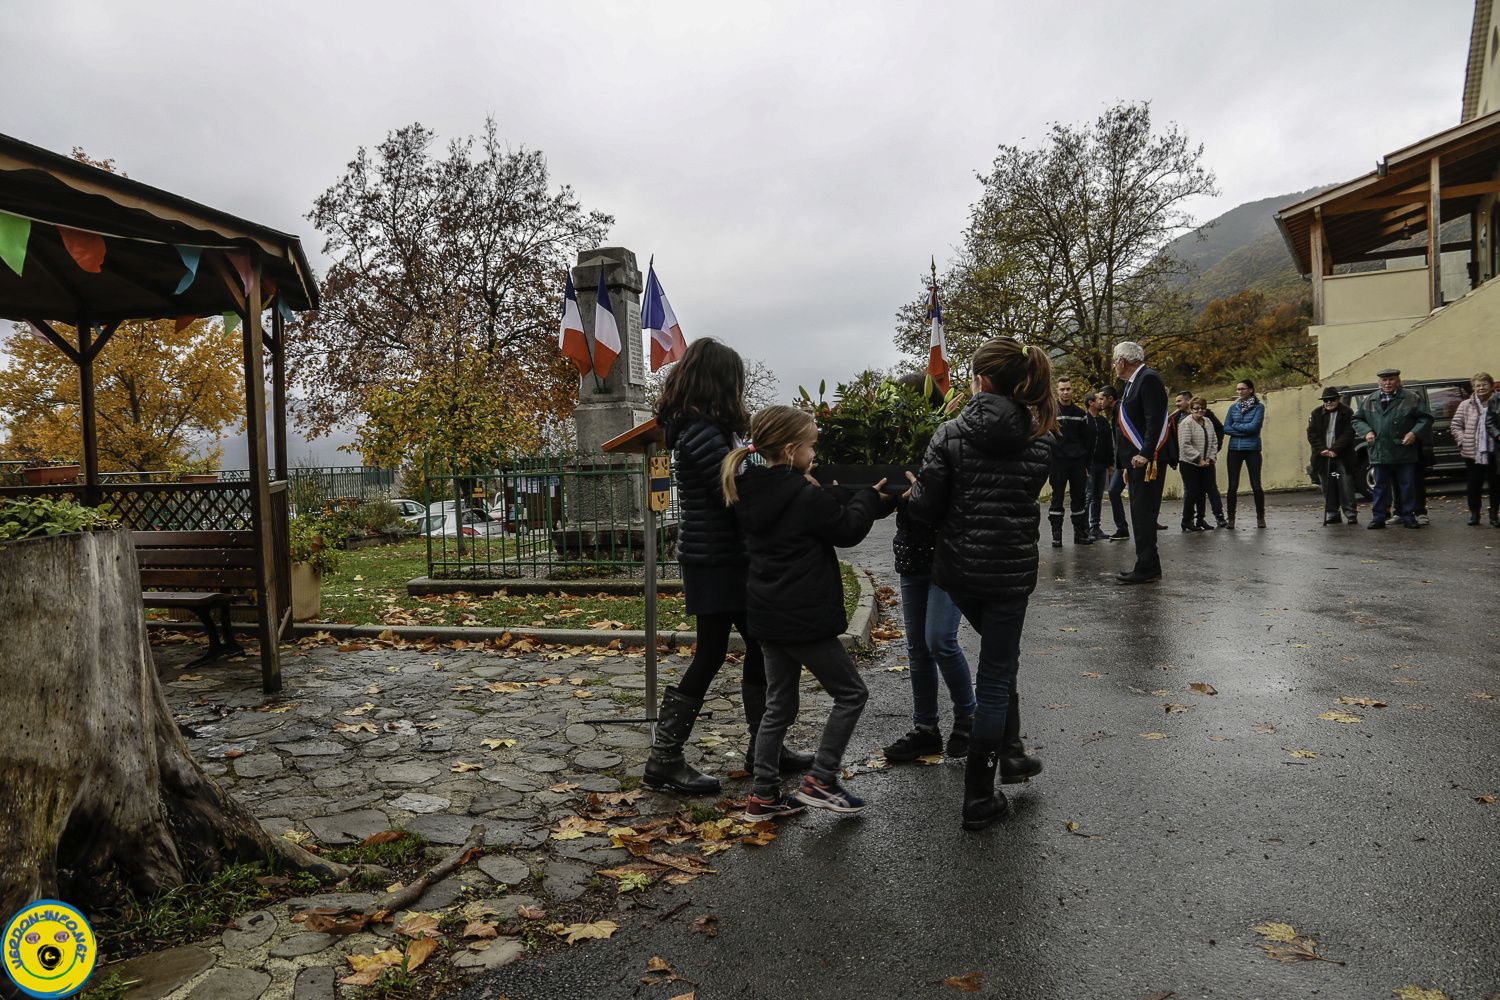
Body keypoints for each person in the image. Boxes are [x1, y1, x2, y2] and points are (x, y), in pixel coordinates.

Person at [644, 339, 812, 795]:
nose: (739, 387)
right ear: (719, 381)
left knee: (754, 646)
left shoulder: (706, 429)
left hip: (718, 557)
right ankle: (665, 758)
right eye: (736, 379)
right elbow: (734, 488)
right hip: (716, 561)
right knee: (715, 653)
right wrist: (781, 483)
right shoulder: (703, 432)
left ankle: (764, 748)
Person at [907, 336, 1053, 830]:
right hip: (1011, 573)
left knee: (996, 670)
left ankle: (1004, 764)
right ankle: (981, 791)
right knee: (997, 672)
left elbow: (925, 509)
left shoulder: (949, 433)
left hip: (960, 573)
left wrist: (916, 491)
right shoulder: (1042, 435)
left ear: (981, 380)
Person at [723, 405, 893, 819]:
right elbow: (846, 529)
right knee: (851, 693)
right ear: (790, 449)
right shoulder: (802, 495)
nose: (814, 454)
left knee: (779, 705)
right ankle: (822, 780)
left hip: (767, 615)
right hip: (804, 617)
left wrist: (846, 496)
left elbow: (820, 511)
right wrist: (869, 497)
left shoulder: (750, 489)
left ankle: (764, 795)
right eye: (811, 446)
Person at [882, 486, 979, 763]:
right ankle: (925, 729)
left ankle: (968, 717)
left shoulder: (952, 459)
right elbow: (882, 504)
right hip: (912, 556)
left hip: (950, 557)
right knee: (917, 648)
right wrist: (883, 497)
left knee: (940, 639)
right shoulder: (901, 462)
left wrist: (925, 494)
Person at [1111, 341, 1169, 584]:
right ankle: (1148, 564)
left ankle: (1146, 567)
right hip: (1134, 462)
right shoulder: (1132, 383)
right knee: (1139, 513)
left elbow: (1155, 420)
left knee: (1144, 514)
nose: (1114, 366)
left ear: (1122, 361)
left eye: (1115, 361)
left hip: (1146, 461)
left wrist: (1145, 453)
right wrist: (1125, 465)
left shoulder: (1148, 379)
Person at [1352, 367, 1433, 530]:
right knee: (1380, 487)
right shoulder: (1370, 399)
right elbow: (1356, 419)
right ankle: (1378, 518)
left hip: (1404, 450)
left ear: (1398, 381)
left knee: (1407, 486)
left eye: (1391, 379)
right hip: (1380, 450)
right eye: (1384, 380)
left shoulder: (1411, 398)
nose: (1387, 383)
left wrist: (1413, 433)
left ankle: (1409, 517)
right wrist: (1366, 431)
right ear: (1379, 382)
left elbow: (1426, 418)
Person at [1449, 371, 1500, 526]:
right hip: (1473, 452)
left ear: (1491, 386)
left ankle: (1494, 515)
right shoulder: (1466, 404)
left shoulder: (1498, 402)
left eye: (1484, 384)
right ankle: (1474, 514)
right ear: (1473, 388)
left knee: (1496, 485)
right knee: (1474, 484)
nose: (1481, 388)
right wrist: (1463, 440)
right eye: (1478, 385)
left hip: (1495, 451)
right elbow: (1455, 425)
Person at [1047, 376, 1093, 547]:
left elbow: (1087, 441)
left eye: (1068, 389)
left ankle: (1079, 533)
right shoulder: (1051, 413)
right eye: (1062, 389)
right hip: (1057, 461)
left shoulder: (1080, 414)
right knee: (1057, 498)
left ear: (1072, 390)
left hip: (1077, 462)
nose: (1065, 392)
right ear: (1057, 391)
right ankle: (1056, 535)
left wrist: (1087, 465)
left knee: (1079, 498)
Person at [1305, 386, 1358, 525]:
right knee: (1327, 486)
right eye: (1326, 400)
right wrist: (1322, 449)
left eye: (1332, 399)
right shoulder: (1316, 413)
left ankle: (1350, 513)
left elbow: (1349, 433)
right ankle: (1332, 513)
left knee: (1346, 485)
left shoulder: (1347, 412)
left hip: (1342, 456)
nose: (1329, 402)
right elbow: (1311, 433)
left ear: (1338, 399)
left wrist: (1335, 449)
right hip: (1323, 456)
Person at [1223, 378, 1267, 529]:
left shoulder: (1259, 407)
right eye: (1238, 389)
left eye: (1242, 389)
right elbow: (1226, 428)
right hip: (1234, 450)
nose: (1240, 391)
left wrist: (1236, 426)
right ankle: (1231, 518)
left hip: (1252, 449)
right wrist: (1243, 430)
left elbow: (1254, 427)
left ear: (1250, 390)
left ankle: (1260, 517)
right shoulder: (1233, 407)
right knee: (1232, 486)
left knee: (1256, 485)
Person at [1176, 397, 1218, 531]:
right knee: (1191, 492)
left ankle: (1200, 519)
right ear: (1191, 409)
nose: (1200, 411)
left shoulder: (1208, 421)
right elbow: (1184, 445)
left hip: (1206, 462)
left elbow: (1214, 441)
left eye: (1202, 408)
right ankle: (1186, 520)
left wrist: (1210, 458)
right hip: (1189, 463)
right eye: (1196, 408)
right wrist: (1198, 459)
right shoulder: (1186, 423)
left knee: (1202, 492)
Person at [1098, 386, 1132, 541]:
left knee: (1127, 493)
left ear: (1110, 398)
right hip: (1121, 461)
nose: (1100, 401)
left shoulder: (1121, 412)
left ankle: (1137, 527)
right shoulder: (1114, 413)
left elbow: (1126, 438)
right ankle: (1122, 528)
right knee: (1113, 491)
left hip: (1127, 460)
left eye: (1102, 398)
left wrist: (1125, 464)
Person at [1083, 391, 1114, 540]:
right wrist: (1082, 464)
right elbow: (1081, 443)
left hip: (1102, 465)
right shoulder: (1084, 421)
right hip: (1088, 466)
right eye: (1099, 400)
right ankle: (1084, 529)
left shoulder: (1103, 421)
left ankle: (1095, 527)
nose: (1102, 402)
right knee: (1087, 497)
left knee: (1098, 497)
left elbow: (1109, 444)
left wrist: (1110, 464)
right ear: (1091, 403)